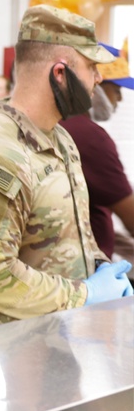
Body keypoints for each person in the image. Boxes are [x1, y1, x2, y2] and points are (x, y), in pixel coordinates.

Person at [0, 4, 132, 326]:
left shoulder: (60, 139)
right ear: (60, 73)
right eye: (91, 67)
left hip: (58, 339)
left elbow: (66, 237)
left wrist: (101, 268)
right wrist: (85, 295)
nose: (99, 79)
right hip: (8, 351)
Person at [60, 42, 134, 260]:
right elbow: (130, 216)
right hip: (84, 268)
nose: (119, 99)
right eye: (116, 89)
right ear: (96, 82)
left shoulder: (61, 124)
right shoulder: (90, 136)